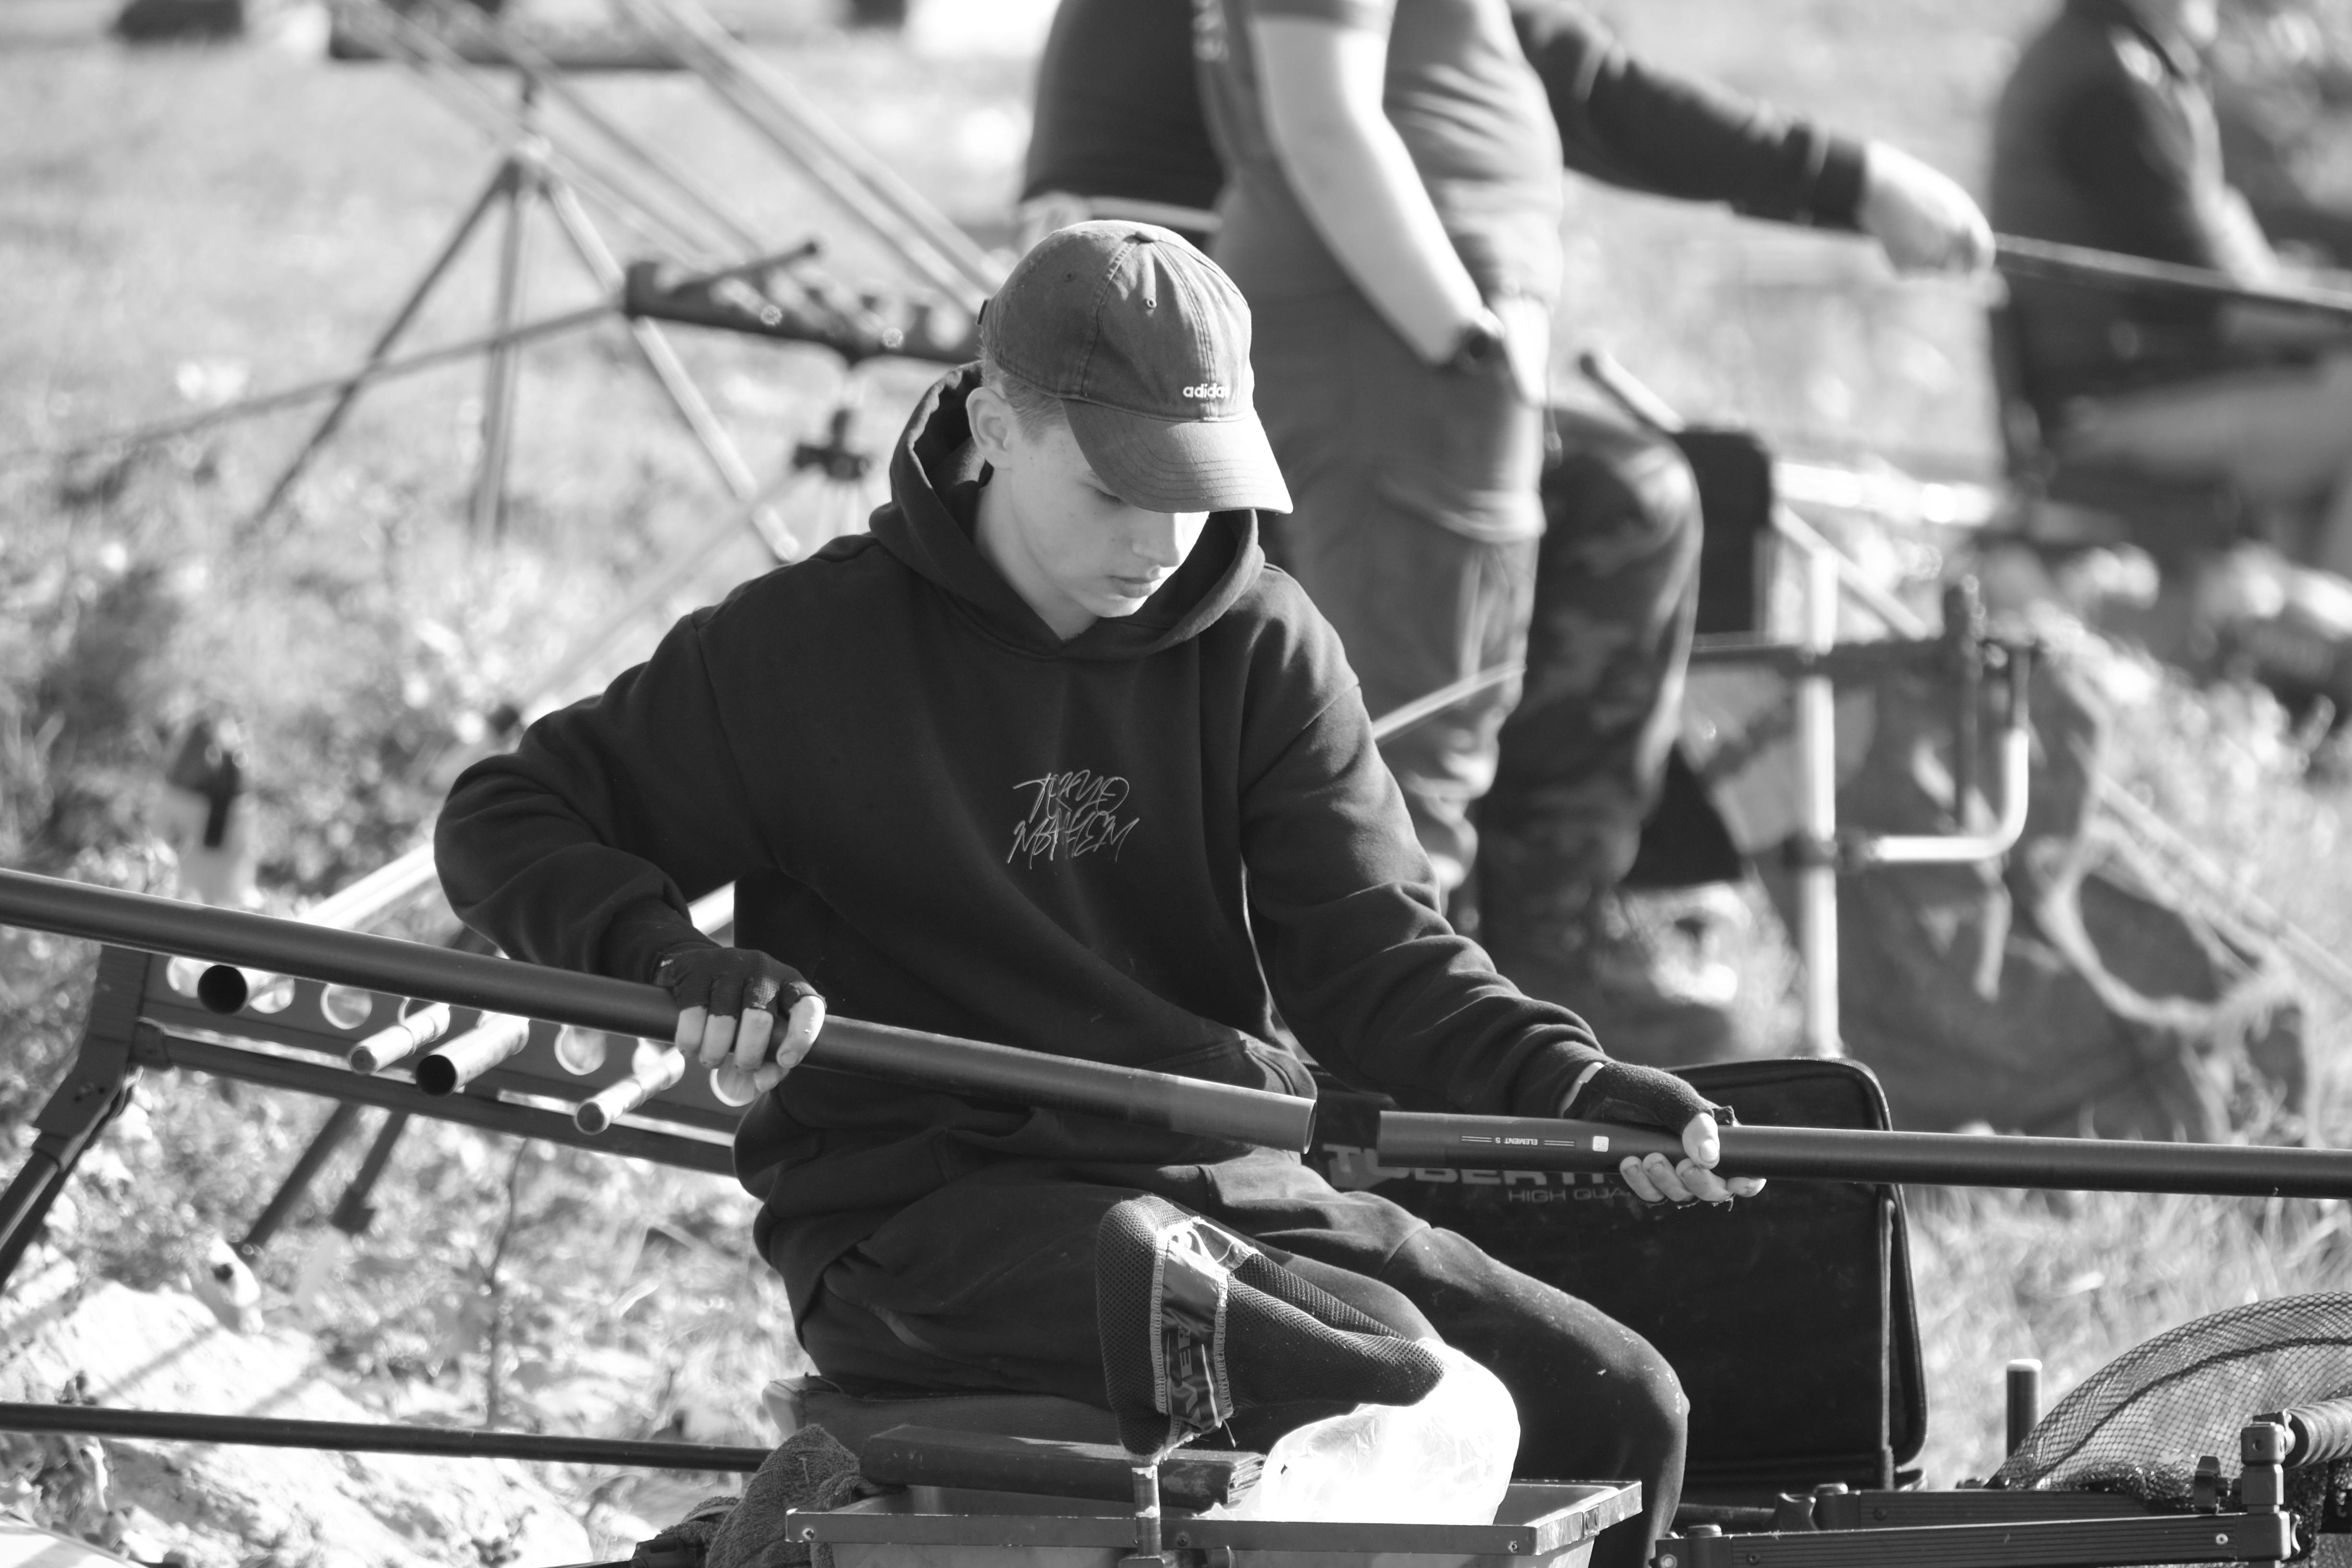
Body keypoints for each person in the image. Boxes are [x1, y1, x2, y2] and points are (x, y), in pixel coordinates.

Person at [436, 223, 1761, 1568]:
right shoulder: (799, 649)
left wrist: (1573, 1084)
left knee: (1623, 1406)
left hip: (1223, 1173)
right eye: (1119, 489)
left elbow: (1380, 952)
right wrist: (669, 959)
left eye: (1193, 488)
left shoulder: (1266, 643)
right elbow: (506, 816)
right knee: (1388, 1378)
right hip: (919, 1217)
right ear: (997, 422)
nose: (1162, 538)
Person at [1025, 0, 1987, 1052]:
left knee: (1623, 508)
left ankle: (1511, 958)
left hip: (1370, 337)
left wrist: (1852, 183)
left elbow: (1576, 82)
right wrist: (1469, 343)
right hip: (1302, 342)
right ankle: (1426, 1017)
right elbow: (1333, 126)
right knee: (1444, 703)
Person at [1992, 0, 2352, 576]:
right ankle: (2322, 652)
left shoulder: (2109, 60)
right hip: (2111, 407)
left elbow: (2228, 280)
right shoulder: (2113, 90)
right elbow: (2224, 307)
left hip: (2137, 385)